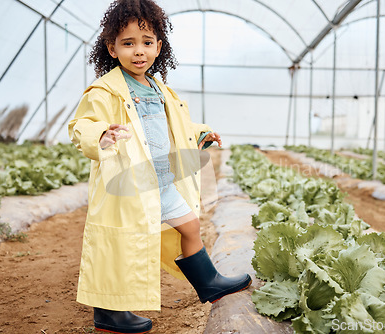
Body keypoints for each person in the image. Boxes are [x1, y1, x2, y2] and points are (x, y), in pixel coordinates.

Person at [68, 0, 252, 333]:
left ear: (158, 47)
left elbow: (175, 127)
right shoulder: (105, 91)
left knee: (191, 226)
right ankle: (109, 313)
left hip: (162, 182)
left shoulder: (161, 89)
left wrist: (201, 133)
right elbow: (81, 125)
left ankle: (209, 282)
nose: (138, 51)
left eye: (146, 42)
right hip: (129, 187)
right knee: (120, 247)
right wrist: (102, 134)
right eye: (128, 43)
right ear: (112, 48)